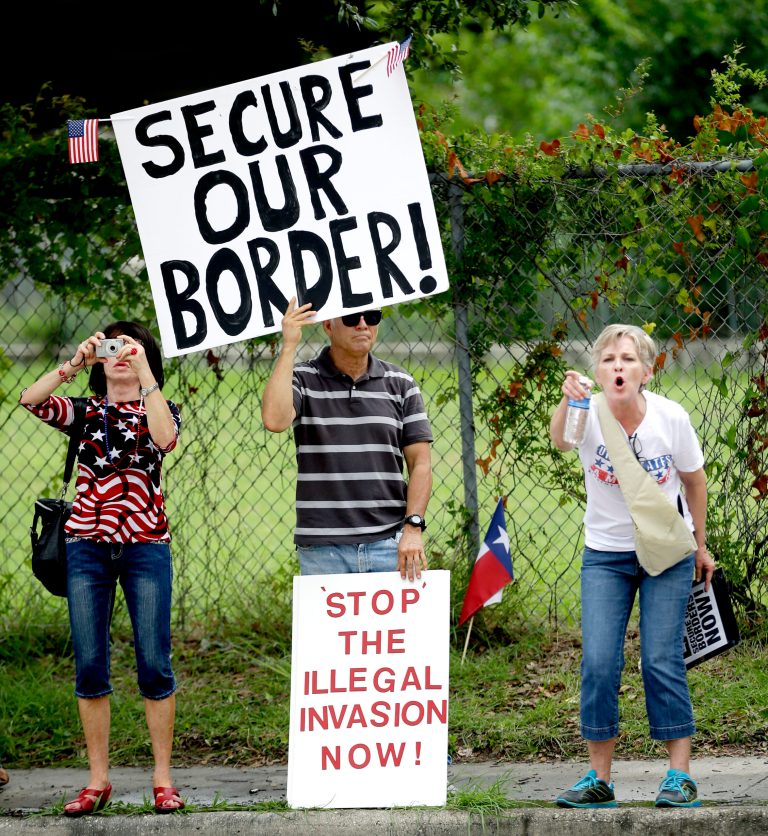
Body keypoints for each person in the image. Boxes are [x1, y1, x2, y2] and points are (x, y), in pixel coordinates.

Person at [19, 321, 185, 817]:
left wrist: (145, 375)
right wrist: (75, 363)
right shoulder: (85, 413)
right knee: (90, 663)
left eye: (129, 349)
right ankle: (98, 780)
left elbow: (166, 438)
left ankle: (162, 779)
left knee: (154, 662)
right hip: (87, 547)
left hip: (145, 545)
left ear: (146, 359)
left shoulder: (161, 407)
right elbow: (30, 397)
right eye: (111, 348)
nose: (119, 356)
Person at [549, 323, 715, 809]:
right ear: (597, 371)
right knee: (599, 661)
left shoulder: (670, 417)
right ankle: (598, 779)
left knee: (661, 659)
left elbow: (695, 482)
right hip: (606, 553)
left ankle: (679, 776)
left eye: (627, 359)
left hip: (666, 552)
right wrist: (567, 399)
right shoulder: (587, 413)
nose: (617, 367)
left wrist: (700, 545)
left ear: (646, 370)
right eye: (608, 360)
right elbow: (562, 441)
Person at [261, 299, 433, 580]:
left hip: (390, 545)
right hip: (322, 550)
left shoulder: (401, 383)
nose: (363, 324)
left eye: (372, 316)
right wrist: (289, 345)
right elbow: (275, 420)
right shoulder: (303, 378)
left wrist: (413, 530)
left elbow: (421, 464)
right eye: (352, 316)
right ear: (328, 325)